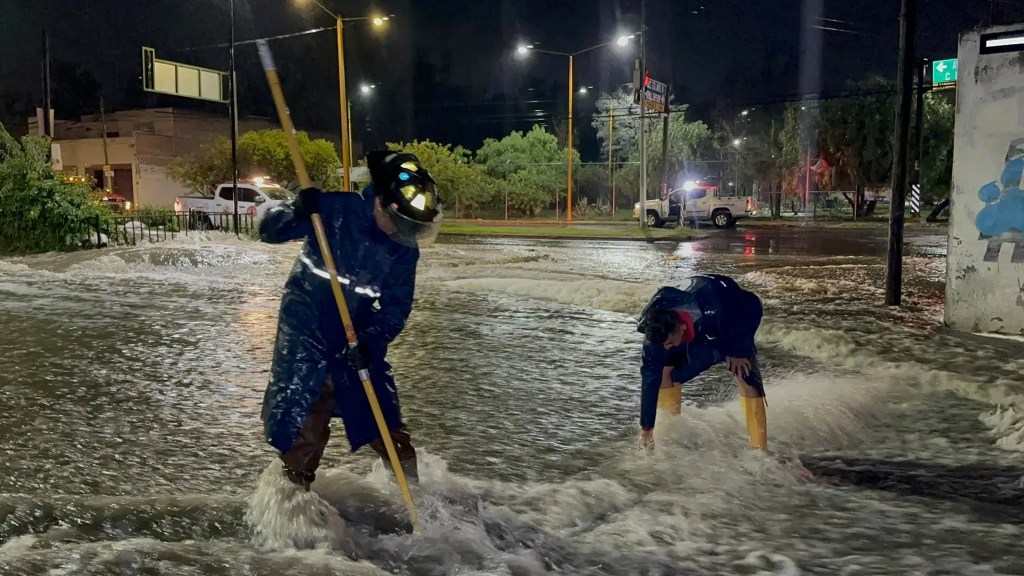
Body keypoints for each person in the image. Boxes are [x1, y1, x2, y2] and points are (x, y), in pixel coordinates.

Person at [258, 150, 443, 491]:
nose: (403, 233)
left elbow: (395, 308)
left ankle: (417, 498)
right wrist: (297, 209)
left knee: (386, 424)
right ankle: (292, 509)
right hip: (306, 336)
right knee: (303, 429)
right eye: (401, 223)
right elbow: (267, 230)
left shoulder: (404, 250)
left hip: (355, 339)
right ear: (380, 204)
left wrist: (371, 341)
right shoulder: (331, 210)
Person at [636, 274, 767, 451]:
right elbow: (650, 378)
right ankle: (671, 432)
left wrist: (737, 351)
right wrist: (646, 428)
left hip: (731, 324)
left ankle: (759, 447)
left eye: (669, 343)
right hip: (695, 331)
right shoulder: (655, 334)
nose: (665, 348)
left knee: (744, 371)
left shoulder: (718, 307)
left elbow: (752, 305)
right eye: (663, 344)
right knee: (663, 371)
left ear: (682, 326)